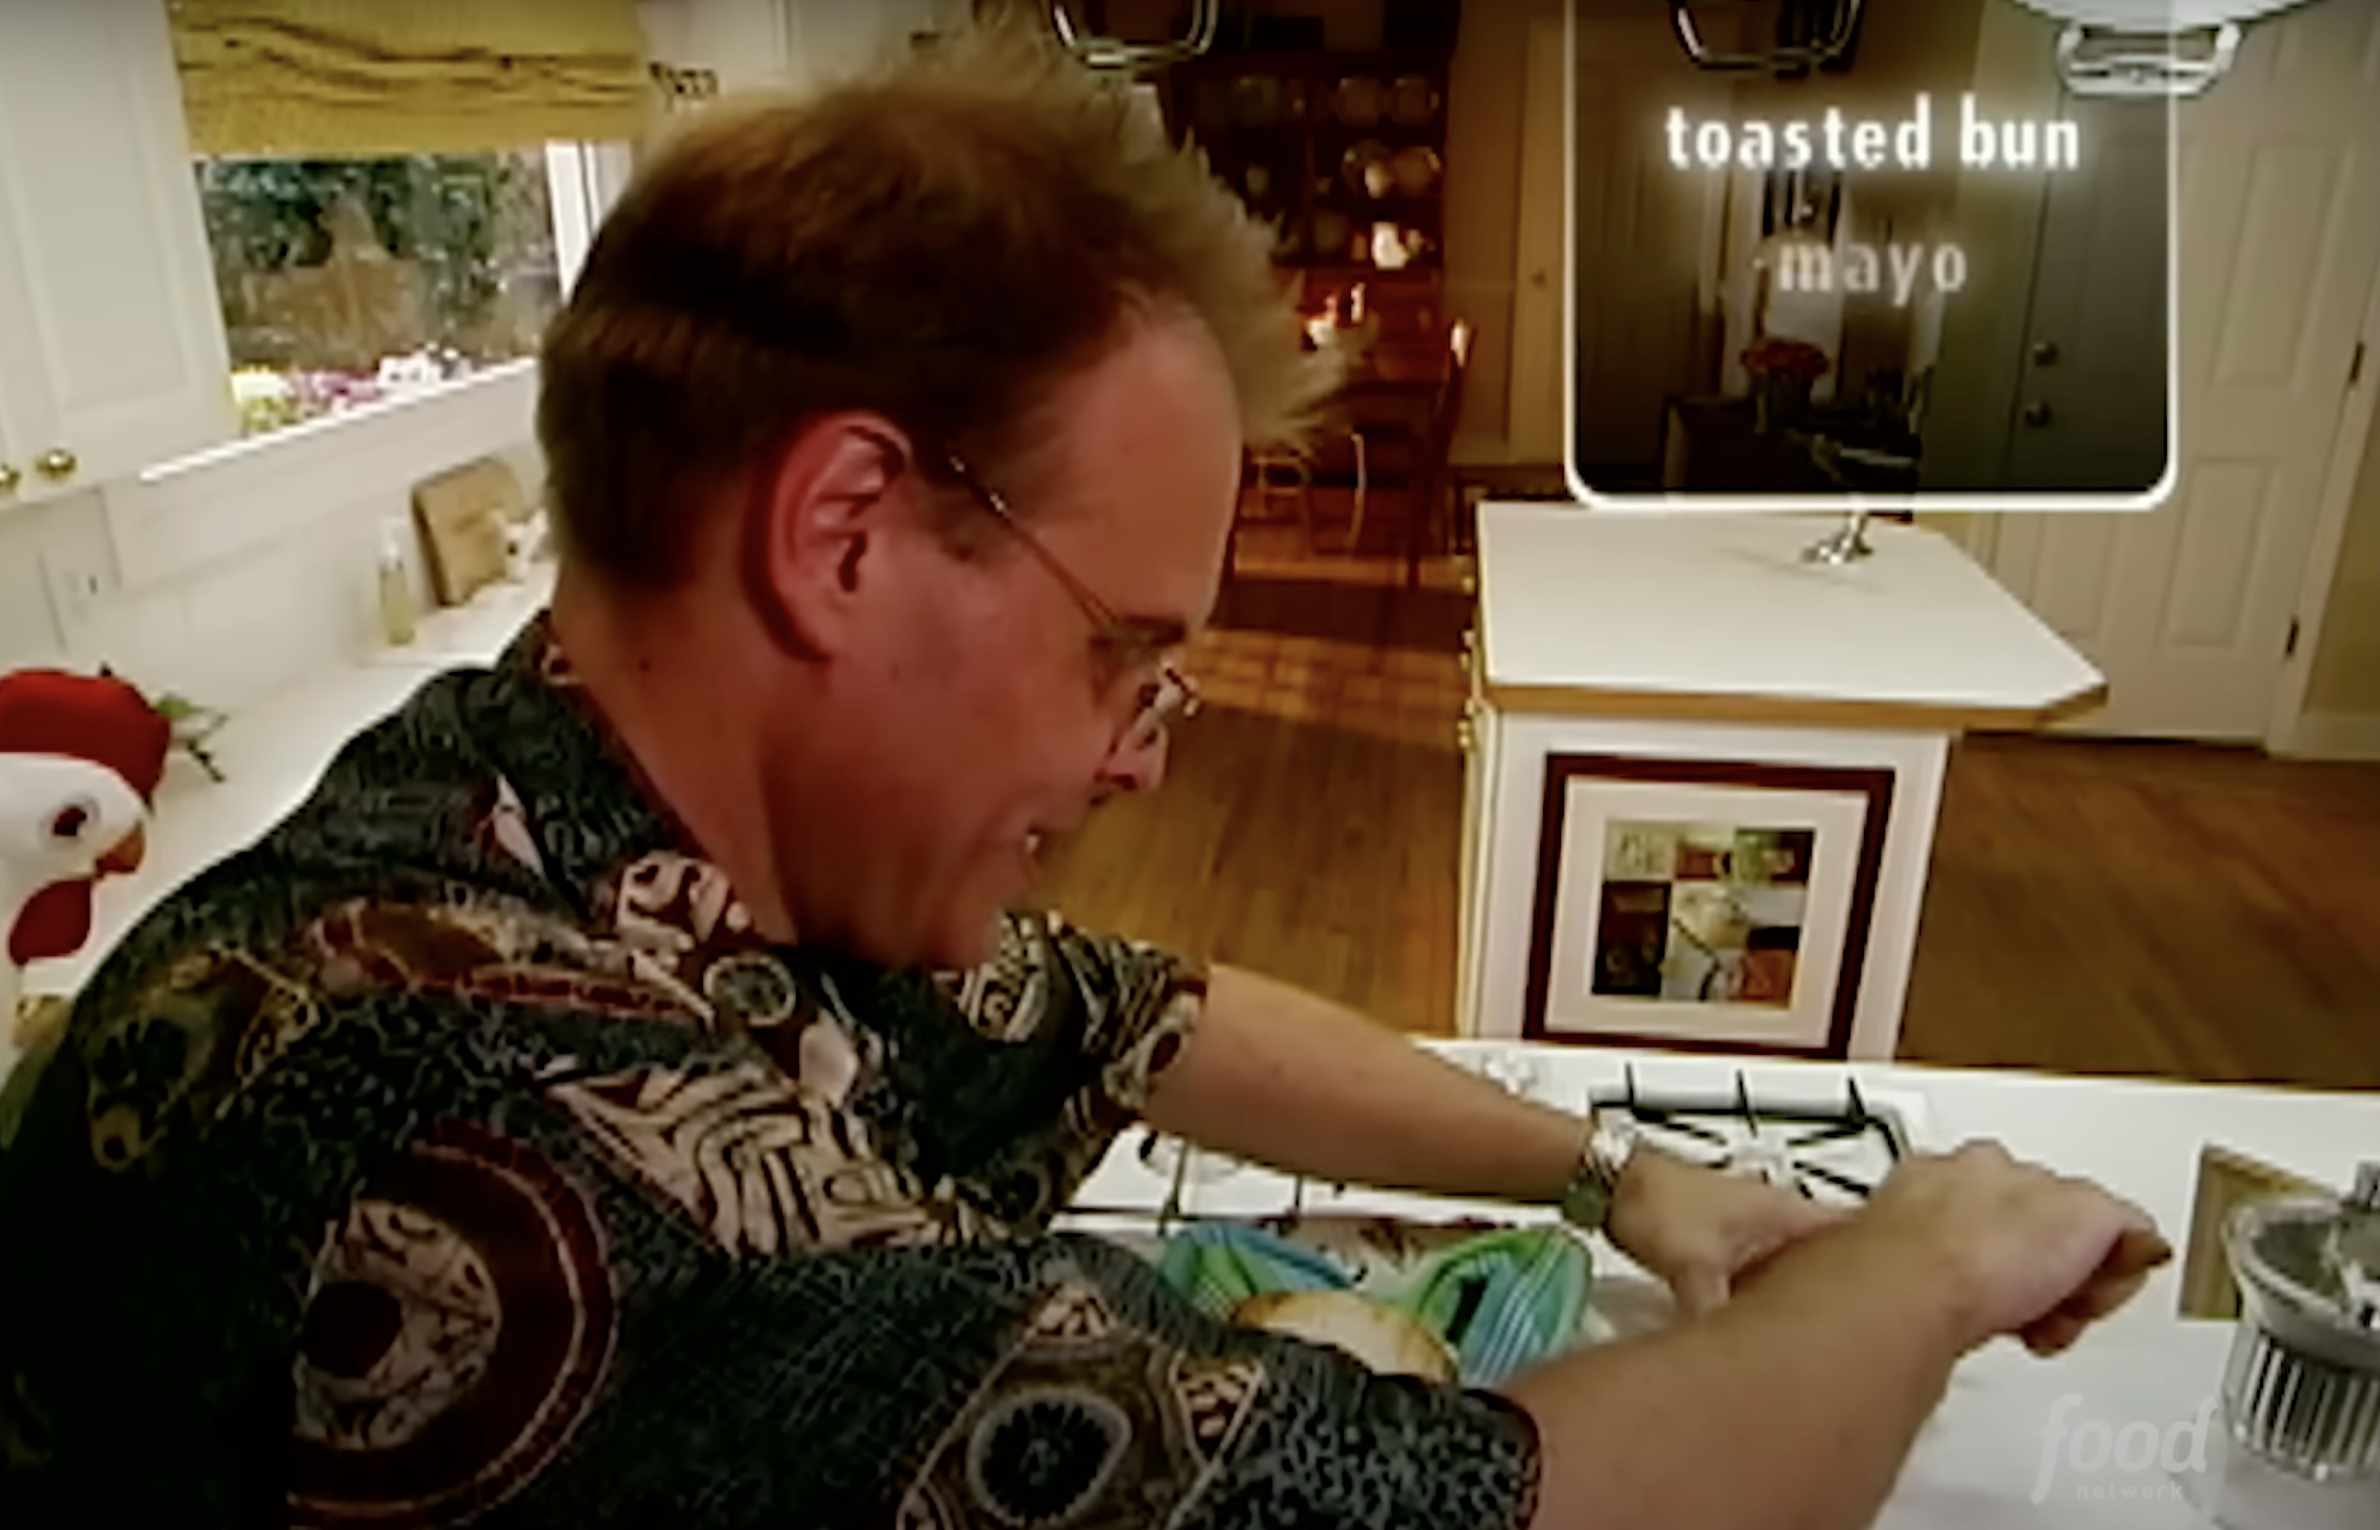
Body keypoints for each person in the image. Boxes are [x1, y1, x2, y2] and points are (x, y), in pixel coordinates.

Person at [0, 23, 2168, 1529]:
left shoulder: (552, 807)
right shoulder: (529, 1167)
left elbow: (1147, 1020)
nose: (1138, 756)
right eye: (1120, 648)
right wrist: (1925, 1254)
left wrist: (1615, 1179)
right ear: (842, 537)